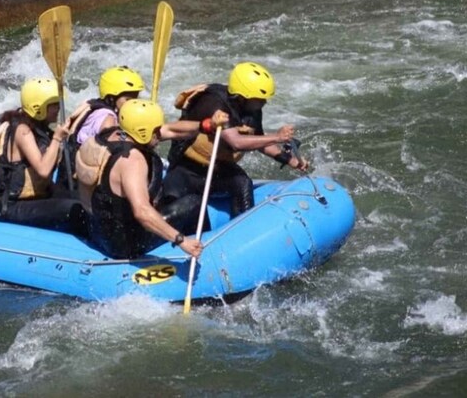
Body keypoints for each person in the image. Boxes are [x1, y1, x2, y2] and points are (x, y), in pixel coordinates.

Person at [76, 99, 227, 259]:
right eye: (155, 130)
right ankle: (208, 253)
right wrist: (182, 241)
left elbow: (171, 130)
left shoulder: (109, 135)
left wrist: (206, 125)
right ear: (143, 131)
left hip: (98, 228)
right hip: (125, 244)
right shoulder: (132, 161)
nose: (159, 133)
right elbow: (142, 212)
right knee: (193, 203)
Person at [163, 61, 308, 217]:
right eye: (259, 99)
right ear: (241, 97)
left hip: (219, 171)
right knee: (176, 209)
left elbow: (259, 141)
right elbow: (236, 142)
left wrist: (288, 159)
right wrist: (277, 137)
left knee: (243, 183)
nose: (264, 103)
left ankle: (245, 229)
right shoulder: (213, 103)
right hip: (186, 170)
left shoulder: (252, 110)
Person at [0, 77, 86, 233]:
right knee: (75, 209)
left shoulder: (40, 127)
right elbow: (43, 170)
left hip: (38, 197)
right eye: (53, 105)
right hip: (12, 207)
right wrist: (57, 138)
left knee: (86, 200)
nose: (58, 108)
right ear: (37, 107)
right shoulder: (22, 131)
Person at [57, 65, 145, 189]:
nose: (133, 103)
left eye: (135, 98)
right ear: (111, 97)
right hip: (77, 185)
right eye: (128, 99)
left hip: (68, 175)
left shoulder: (93, 106)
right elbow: (112, 151)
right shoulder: (108, 118)